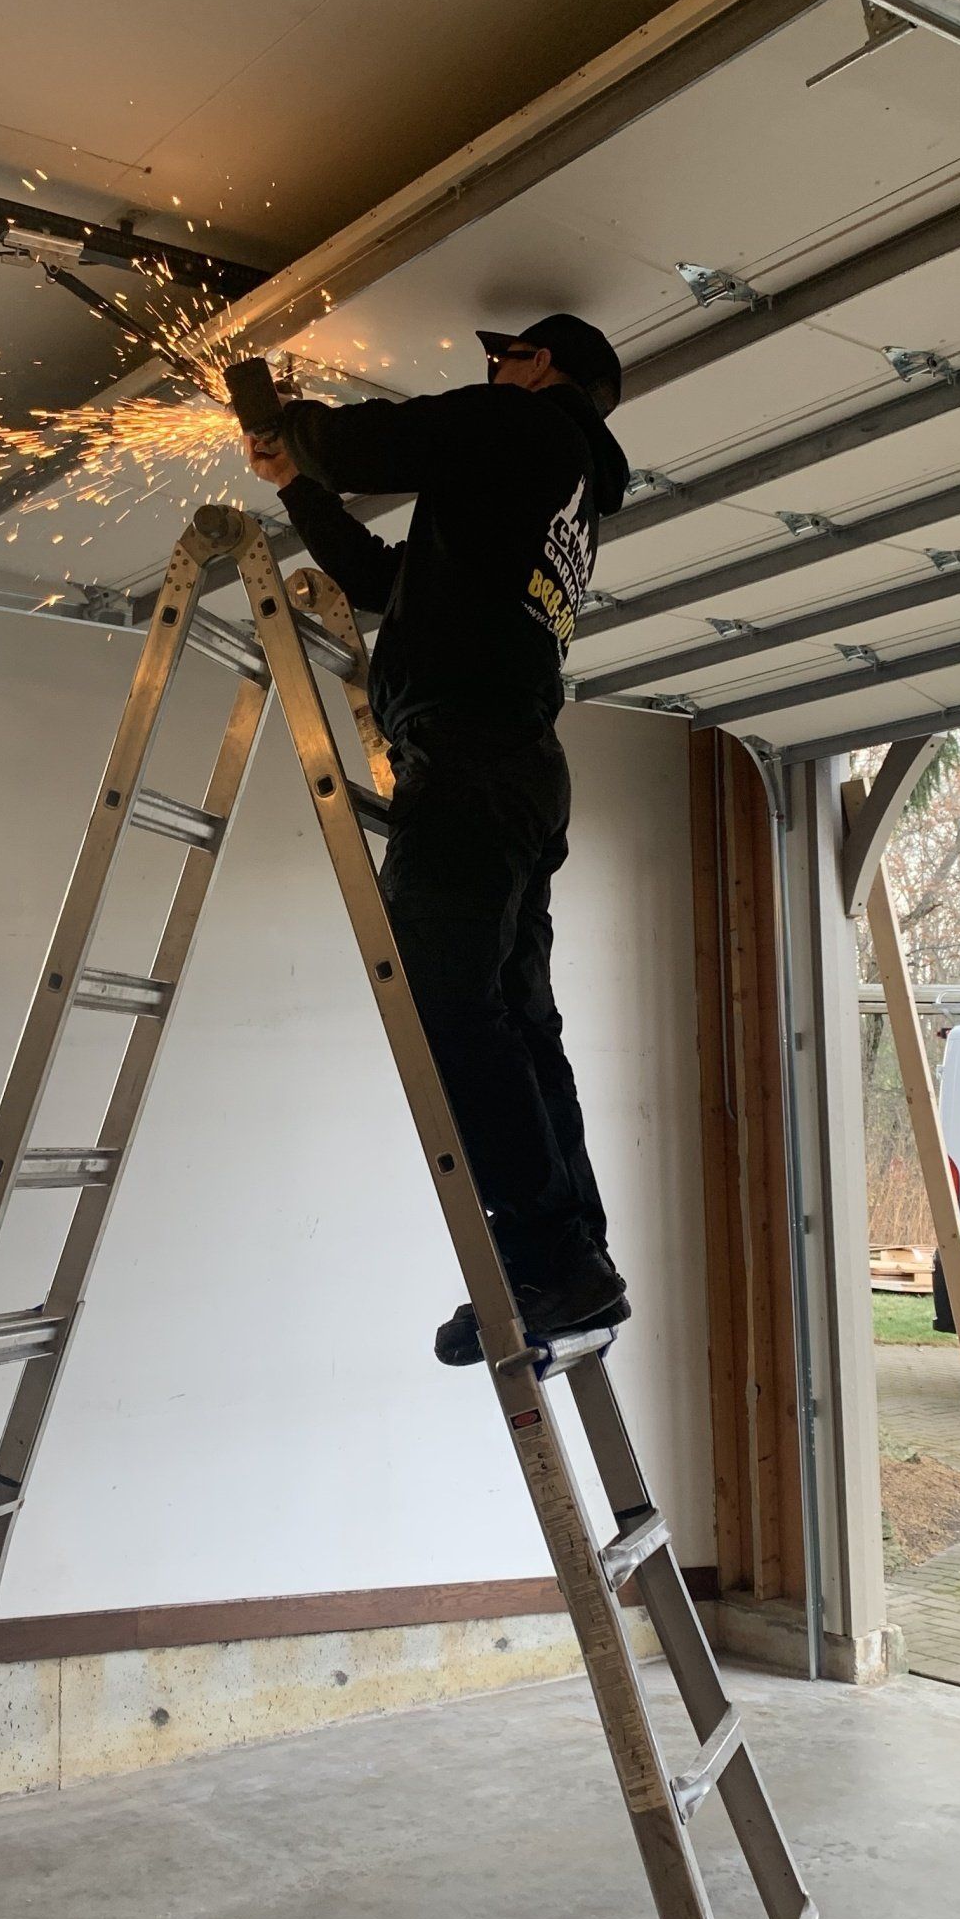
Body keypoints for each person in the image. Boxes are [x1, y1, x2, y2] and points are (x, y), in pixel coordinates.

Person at [242, 314, 630, 1361]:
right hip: (507, 766)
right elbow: (377, 581)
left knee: (450, 1009)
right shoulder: (544, 491)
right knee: (512, 1018)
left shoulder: (524, 429)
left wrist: (294, 426)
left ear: (538, 366)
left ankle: (552, 1258)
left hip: (468, 761)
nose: (494, 370)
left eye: (503, 358)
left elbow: (384, 442)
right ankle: (572, 1261)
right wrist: (295, 483)